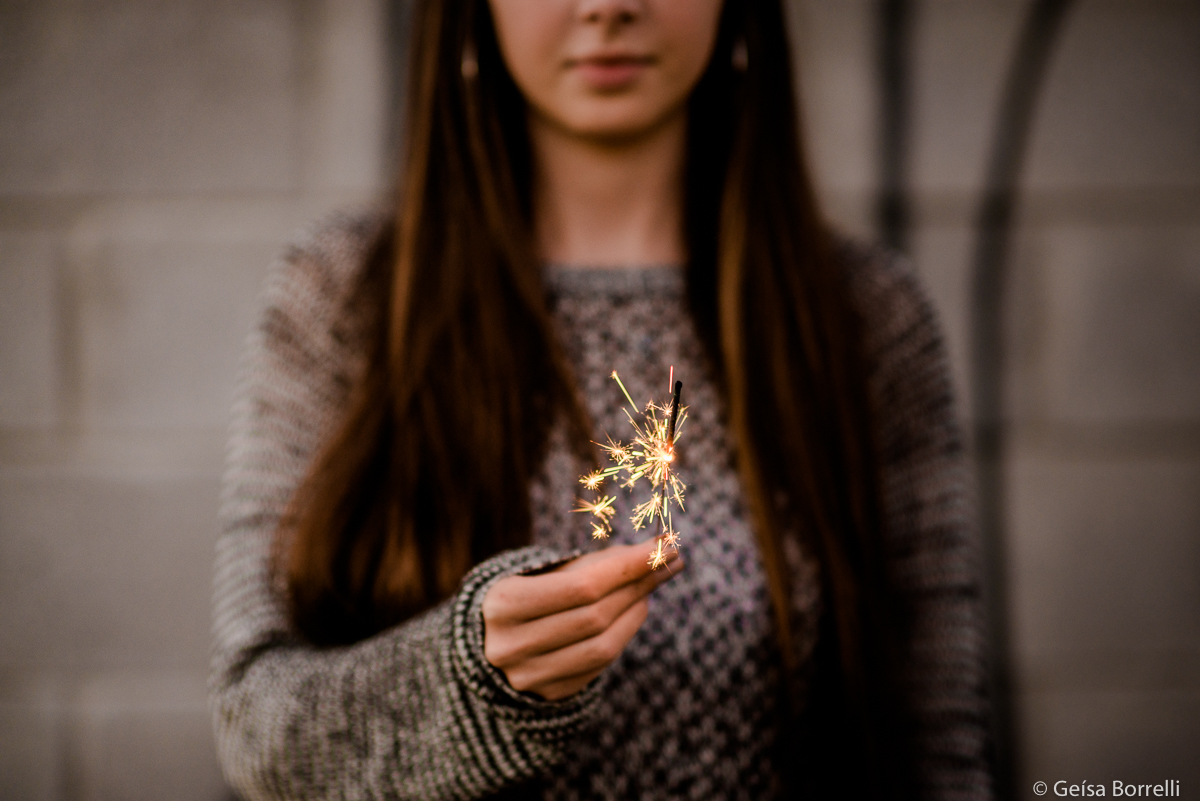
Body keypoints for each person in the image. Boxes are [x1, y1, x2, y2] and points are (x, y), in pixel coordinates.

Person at [210, 0, 993, 798]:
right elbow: (254, 726)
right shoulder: (346, 296)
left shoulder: (864, 317)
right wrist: (471, 679)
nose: (607, 7)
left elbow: (935, 745)